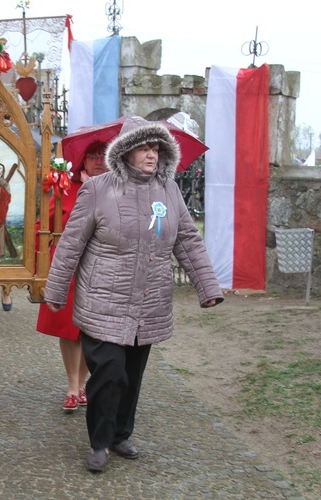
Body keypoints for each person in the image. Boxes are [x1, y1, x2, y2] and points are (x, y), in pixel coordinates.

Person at [44, 116, 223, 473]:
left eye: (156, 147)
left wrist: (208, 287)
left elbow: (186, 238)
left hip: (149, 302)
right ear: (125, 151)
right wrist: (56, 289)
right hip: (103, 301)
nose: (151, 154)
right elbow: (71, 244)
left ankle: (121, 433)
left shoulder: (168, 190)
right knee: (110, 372)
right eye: (144, 147)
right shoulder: (97, 189)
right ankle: (99, 442)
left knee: (132, 373)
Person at [36, 140, 109, 413]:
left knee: (93, 330)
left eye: (103, 156)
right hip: (69, 268)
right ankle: (71, 385)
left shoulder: (118, 190)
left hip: (102, 268)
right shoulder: (67, 189)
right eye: (93, 156)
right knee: (68, 329)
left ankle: (83, 384)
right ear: (83, 162)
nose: (99, 161)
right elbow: (44, 226)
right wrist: (37, 264)